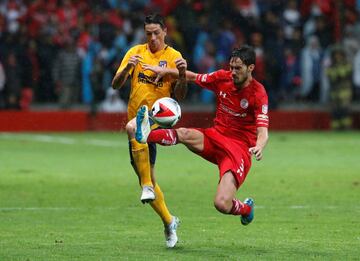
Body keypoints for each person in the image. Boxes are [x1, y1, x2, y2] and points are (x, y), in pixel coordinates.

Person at [136, 45, 269, 225]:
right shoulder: (223, 78)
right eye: (231, 67)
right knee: (183, 133)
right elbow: (193, 77)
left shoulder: (258, 93)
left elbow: (263, 131)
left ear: (250, 68)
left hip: (237, 151)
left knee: (221, 204)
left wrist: (259, 146)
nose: (233, 72)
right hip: (215, 137)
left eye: (238, 68)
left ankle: (246, 209)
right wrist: (165, 70)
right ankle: (145, 136)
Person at [111, 14, 187, 248]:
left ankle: (146, 187)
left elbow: (181, 95)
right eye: (148, 34)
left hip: (158, 119)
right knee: (150, 177)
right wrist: (127, 70)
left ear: (165, 31)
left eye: (156, 33)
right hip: (137, 116)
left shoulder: (174, 57)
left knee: (133, 127)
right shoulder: (135, 52)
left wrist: (182, 75)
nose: (152, 38)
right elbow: (115, 84)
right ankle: (169, 221)